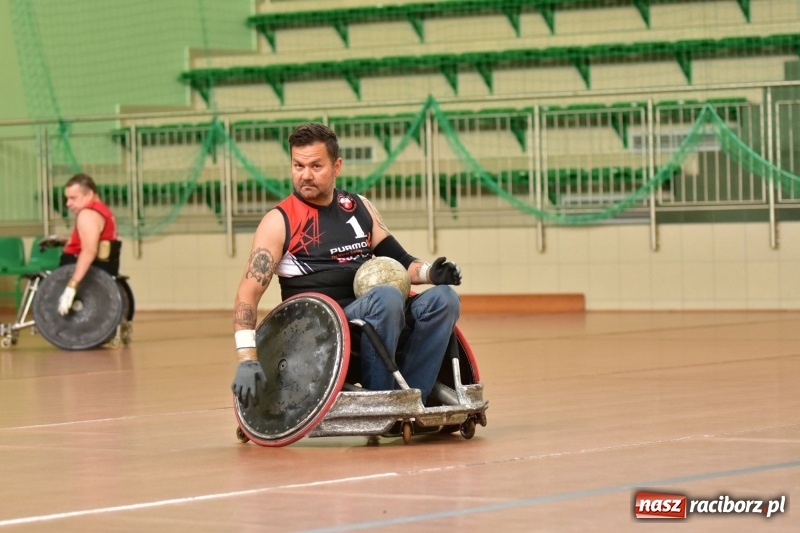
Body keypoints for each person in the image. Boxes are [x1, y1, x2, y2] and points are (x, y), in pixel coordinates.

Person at [232, 122, 462, 409]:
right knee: (387, 297)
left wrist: (430, 273)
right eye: (298, 166)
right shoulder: (279, 221)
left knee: (444, 299)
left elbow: (401, 262)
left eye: (316, 166)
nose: (305, 175)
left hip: (378, 316)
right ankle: (381, 403)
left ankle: (413, 399)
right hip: (320, 332)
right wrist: (247, 358)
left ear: (337, 166)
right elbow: (248, 293)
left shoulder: (358, 207)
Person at [44, 173, 121, 316]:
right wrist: (64, 241)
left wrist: (72, 285)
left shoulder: (88, 214)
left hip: (81, 273)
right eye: (67, 198)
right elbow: (94, 242)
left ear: (89, 194)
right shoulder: (104, 211)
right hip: (103, 270)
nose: (68, 204)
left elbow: (89, 251)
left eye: (73, 198)